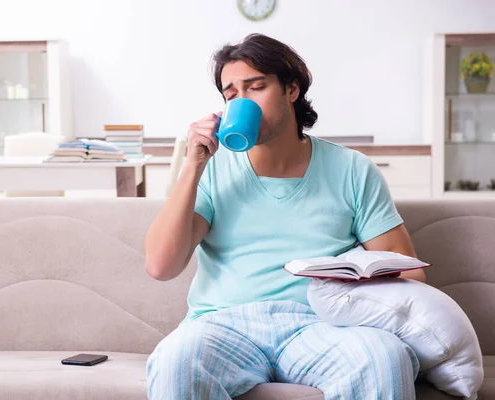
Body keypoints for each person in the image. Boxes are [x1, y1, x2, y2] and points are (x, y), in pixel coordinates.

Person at [144, 33, 425, 400]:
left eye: (255, 87)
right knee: (176, 359)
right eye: (231, 96)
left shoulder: (351, 169)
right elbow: (160, 266)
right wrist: (193, 165)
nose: (241, 102)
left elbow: (409, 272)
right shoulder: (211, 169)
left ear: (291, 90)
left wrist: (356, 280)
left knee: (384, 357)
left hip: (321, 326)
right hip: (224, 324)